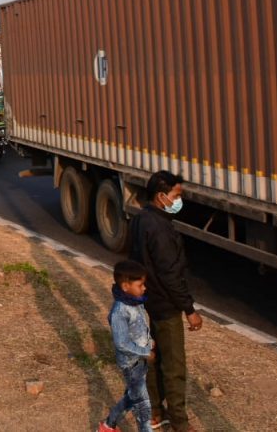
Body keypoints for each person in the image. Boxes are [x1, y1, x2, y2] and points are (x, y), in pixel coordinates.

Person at [130, 170, 203, 432]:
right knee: (174, 366)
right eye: (176, 195)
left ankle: (155, 413)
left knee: (154, 360)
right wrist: (189, 309)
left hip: (149, 301)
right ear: (162, 196)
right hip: (166, 306)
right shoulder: (160, 229)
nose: (178, 200)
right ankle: (180, 424)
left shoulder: (141, 219)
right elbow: (171, 274)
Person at [99, 259, 155, 432]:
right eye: (140, 285)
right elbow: (122, 343)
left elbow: (139, 328)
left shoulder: (135, 302)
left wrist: (149, 342)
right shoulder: (119, 312)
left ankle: (108, 425)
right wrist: (146, 351)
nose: (144, 288)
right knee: (143, 407)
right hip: (131, 364)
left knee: (132, 396)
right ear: (125, 286)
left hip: (139, 362)